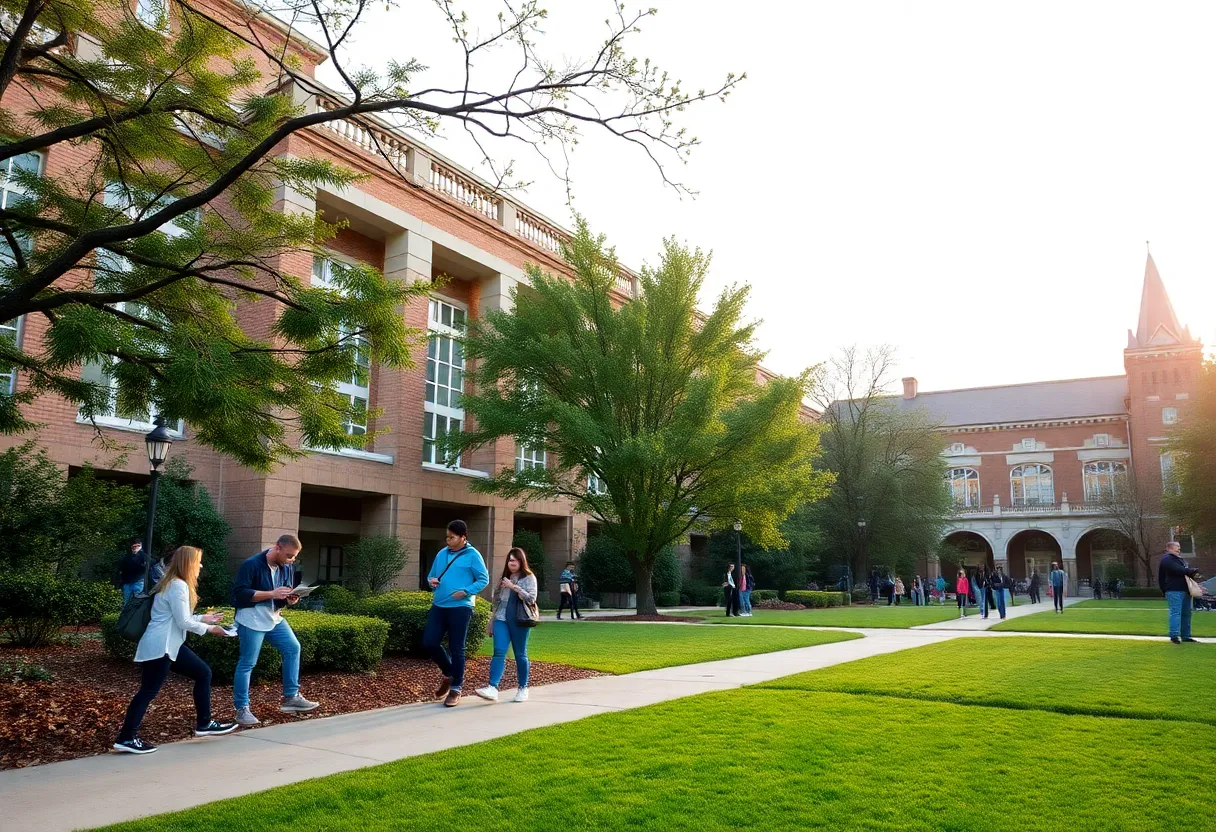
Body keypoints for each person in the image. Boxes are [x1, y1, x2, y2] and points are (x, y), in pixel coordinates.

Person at [114, 546, 237, 754]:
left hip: (169, 644)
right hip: (161, 646)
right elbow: (183, 622)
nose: (200, 565)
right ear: (187, 563)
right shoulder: (177, 586)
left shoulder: (172, 584)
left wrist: (202, 618)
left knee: (203, 673)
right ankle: (126, 737)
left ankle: (204, 724)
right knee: (148, 691)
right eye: (197, 561)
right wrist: (211, 629)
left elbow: (177, 618)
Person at [231, 533, 319, 726]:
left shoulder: (286, 567)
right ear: (278, 547)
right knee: (247, 663)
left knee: (293, 648)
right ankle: (242, 709)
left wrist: (290, 598)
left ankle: (291, 697)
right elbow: (239, 594)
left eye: (294, 556)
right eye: (289, 555)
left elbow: (280, 597)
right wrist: (272, 593)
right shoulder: (251, 564)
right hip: (251, 618)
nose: (292, 560)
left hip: (273, 618)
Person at [424, 520, 490, 707]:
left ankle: (456, 689)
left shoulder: (472, 555)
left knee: (457, 648)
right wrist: (432, 581)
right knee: (430, 641)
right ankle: (449, 673)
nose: (448, 540)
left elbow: (483, 579)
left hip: (461, 607)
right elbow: (431, 576)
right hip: (439, 605)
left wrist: (466, 591)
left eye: (452, 537)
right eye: (447, 537)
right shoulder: (441, 554)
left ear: (463, 537)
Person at [476, 547, 538, 703]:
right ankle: (492, 687)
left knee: (520, 654)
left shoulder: (529, 577)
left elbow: (531, 598)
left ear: (521, 561)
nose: (512, 563)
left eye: (515, 560)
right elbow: (496, 602)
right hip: (501, 619)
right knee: (499, 651)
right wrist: (492, 620)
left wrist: (513, 587)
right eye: (510, 560)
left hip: (519, 620)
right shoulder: (504, 577)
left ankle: (523, 688)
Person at [1158, 540, 1200, 644]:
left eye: (1179, 547)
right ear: (1168, 549)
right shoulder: (1167, 559)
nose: (1178, 549)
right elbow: (1178, 570)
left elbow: (1184, 571)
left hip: (1185, 590)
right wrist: (1191, 571)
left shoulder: (1180, 560)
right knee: (1176, 612)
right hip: (1174, 590)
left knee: (1186, 613)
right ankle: (1174, 635)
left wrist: (1193, 573)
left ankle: (1186, 636)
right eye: (1175, 547)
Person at [119, 540, 148, 605]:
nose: (135, 548)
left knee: (137, 602)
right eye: (133, 546)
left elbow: (153, 562)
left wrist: (140, 552)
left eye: (137, 546)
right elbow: (121, 568)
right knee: (127, 602)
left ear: (140, 546)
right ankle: (126, 614)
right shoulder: (127, 556)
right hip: (128, 582)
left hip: (138, 581)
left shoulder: (144, 555)